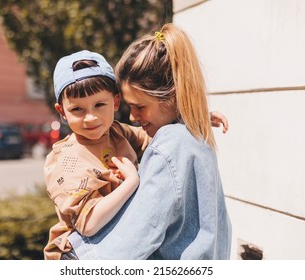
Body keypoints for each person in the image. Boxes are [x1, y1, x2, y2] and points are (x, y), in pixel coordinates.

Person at [44, 49, 228, 260]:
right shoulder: (66, 160)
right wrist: (131, 181)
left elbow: (161, 142)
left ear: (114, 102)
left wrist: (193, 116)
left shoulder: (116, 131)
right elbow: (88, 224)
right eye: (77, 109)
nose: (90, 117)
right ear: (62, 111)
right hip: (79, 251)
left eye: (99, 105)